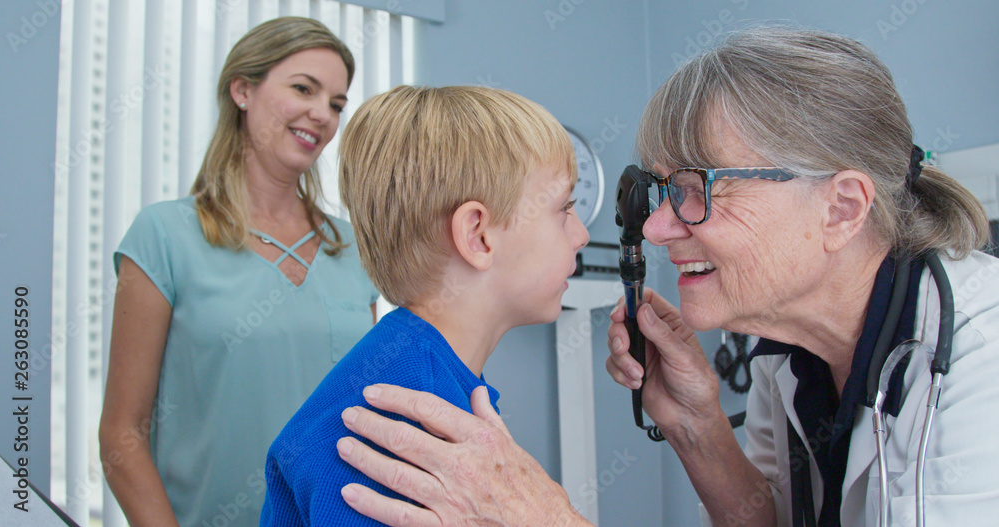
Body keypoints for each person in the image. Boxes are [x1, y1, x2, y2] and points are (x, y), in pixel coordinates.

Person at [329, 27, 999, 526]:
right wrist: (697, 424)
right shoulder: (786, 355)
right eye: (664, 190)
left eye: (696, 188)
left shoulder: (980, 359)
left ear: (841, 207)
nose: (655, 228)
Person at [257, 84, 590, 525]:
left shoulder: (430, 375)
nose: (582, 233)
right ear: (478, 236)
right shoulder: (395, 423)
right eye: (564, 209)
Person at [98, 17, 380, 527]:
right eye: (303, 89)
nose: (322, 114)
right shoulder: (164, 235)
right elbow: (122, 433)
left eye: (336, 103)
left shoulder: (355, 247)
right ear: (242, 89)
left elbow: (367, 415)